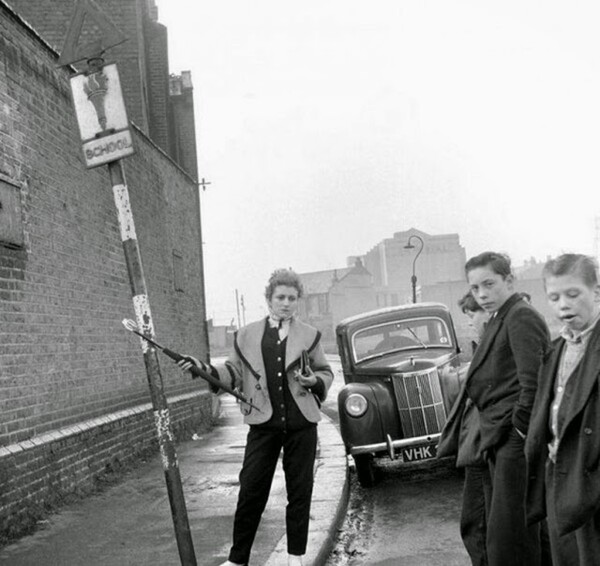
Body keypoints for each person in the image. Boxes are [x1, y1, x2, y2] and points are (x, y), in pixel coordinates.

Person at [178, 268, 334, 566]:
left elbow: (325, 372)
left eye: (291, 298)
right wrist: (204, 369)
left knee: (300, 491)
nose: (285, 303)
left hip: (302, 424)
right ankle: (238, 560)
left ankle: (295, 557)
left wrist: (313, 381)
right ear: (268, 299)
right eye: (280, 297)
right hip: (263, 424)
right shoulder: (247, 335)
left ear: (297, 300)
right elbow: (232, 373)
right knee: (251, 490)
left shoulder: (310, 335)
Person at [464, 252, 550, 566]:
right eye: (475, 288)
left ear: (509, 280)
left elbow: (536, 383)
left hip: (513, 441)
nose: (482, 294)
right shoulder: (503, 316)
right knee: (520, 532)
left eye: (489, 283)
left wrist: (518, 430)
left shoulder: (520, 316)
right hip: (499, 437)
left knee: (510, 538)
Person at [526, 254, 600, 565]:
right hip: (558, 477)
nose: (563, 305)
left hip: (593, 480)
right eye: (554, 297)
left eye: (573, 294)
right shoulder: (556, 350)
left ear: (595, 293)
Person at [456, 292, 490, 566]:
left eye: (472, 315)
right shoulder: (482, 345)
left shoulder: (493, 346)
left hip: (485, 446)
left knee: (474, 523)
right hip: (478, 445)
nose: (469, 322)